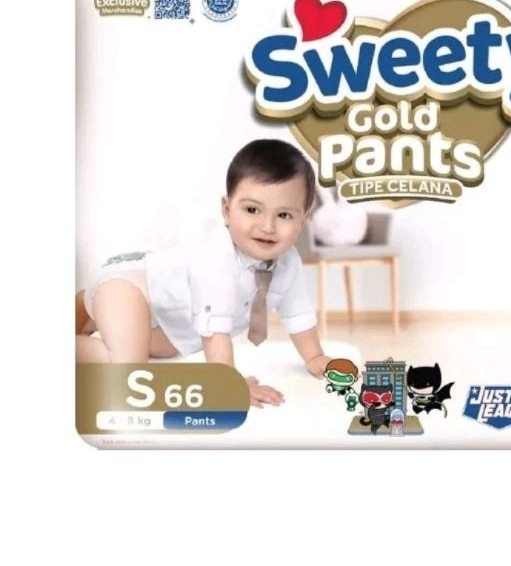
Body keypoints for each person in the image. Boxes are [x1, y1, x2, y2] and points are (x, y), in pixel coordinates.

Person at [76, 139, 331, 408]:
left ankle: (96, 317)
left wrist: (314, 357)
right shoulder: (217, 259)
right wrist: (228, 384)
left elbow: (298, 314)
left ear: (303, 220)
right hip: (129, 289)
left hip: (168, 323)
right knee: (130, 370)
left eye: (284, 215)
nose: (267, 226)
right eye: (252, 210)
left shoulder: (289, 263)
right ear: (227, 211)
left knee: (168, 350)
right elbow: (215, 332)